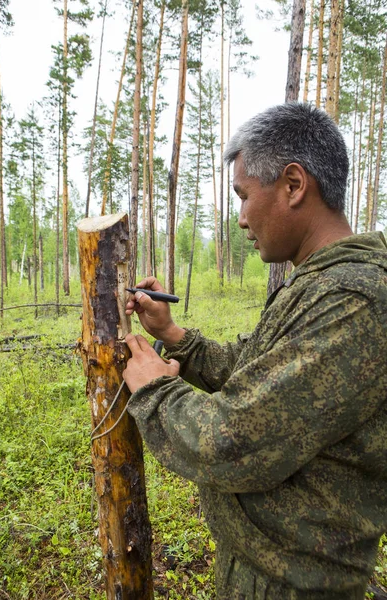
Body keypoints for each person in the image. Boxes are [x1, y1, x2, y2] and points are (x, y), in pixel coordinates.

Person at [123, 103, 387, 600]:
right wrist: (175, 334)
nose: (242, 219)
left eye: (244, 196)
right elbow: (254, 371)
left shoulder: (354, 300)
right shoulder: (319, 284)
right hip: (263, 570)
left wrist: (156, 390)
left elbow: (235, 440)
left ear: (293, 185)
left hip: (297, 585)